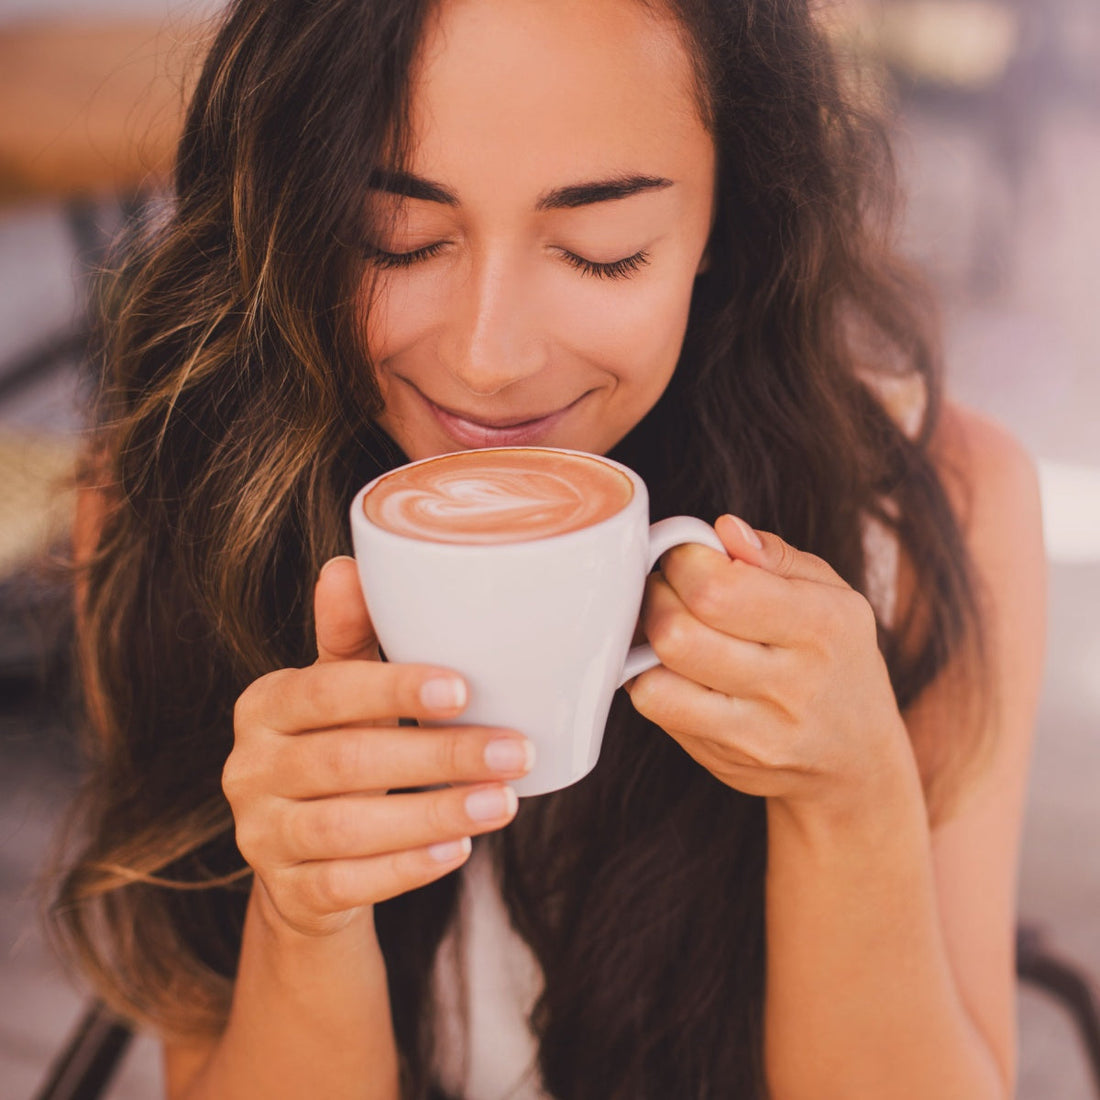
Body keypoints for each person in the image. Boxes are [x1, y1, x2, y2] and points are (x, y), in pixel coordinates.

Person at [53, 0, 1046, 1097]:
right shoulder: (184, 509)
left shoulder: (927, 515)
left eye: (598, 252)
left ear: (728, 217)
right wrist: (306, 912)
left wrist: (851, 800)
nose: (488, 358)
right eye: (396, 239)